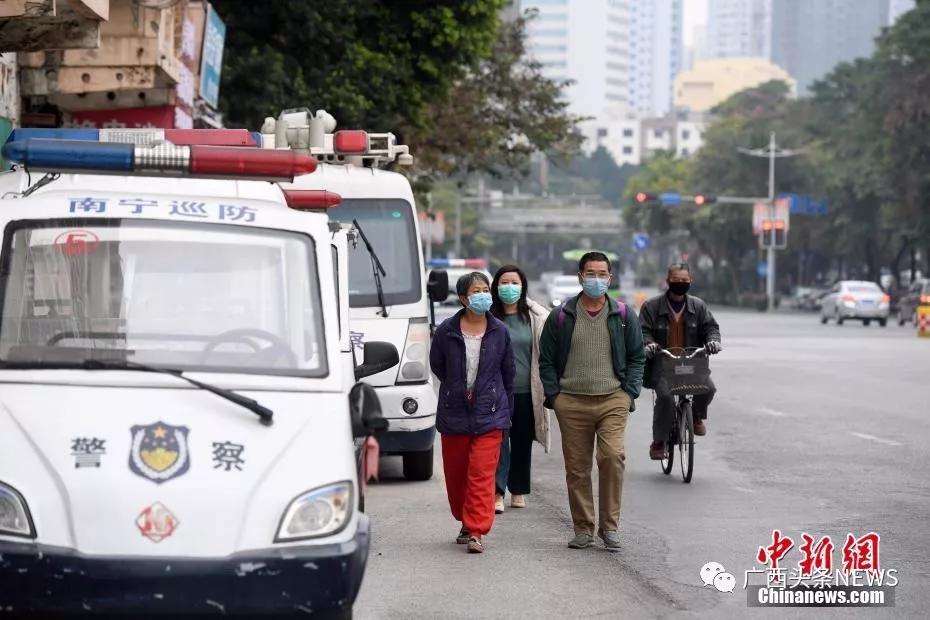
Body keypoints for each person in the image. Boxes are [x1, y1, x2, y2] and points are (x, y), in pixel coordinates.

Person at [538, 252, 645, 552]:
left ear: (610, 278)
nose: (596, 279)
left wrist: (628, 393)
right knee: (577, 468)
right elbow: (545, 360)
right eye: (590, 273)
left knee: (612, 458)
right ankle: (583, 528)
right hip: (571, 402)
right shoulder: (561, 316)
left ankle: (609, 527)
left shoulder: (623, 316)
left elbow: (637, 357)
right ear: (580, 277)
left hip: (613, 399)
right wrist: (555, 397)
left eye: (602, 274)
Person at [430, 272, 515, 554]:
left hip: (490, 414)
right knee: (457, 476)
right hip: (454, 414)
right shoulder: (446, 331)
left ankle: (477, 530)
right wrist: (458, 390)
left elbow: (508, 374)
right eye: (477, 291)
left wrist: (505, 412)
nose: (484, 295)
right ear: (464, 298)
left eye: (486, 289)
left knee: (481, 474)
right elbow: (438, 366)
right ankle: (465, 521)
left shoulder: (499, 331)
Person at [638, 263, 722, 461]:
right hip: (663, 365)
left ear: (690, 282)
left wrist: (713, 341)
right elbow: (643, 331)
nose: (680, 284)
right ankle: (659, 441)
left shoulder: (698, 306)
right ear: (668, 281)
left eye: (684, 281)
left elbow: (711, 328)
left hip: (692, 363)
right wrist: (648, 345)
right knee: (666, 398)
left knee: (708, 388)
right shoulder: (651, 306)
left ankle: (695, 415)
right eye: (676, 280)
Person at [489, 264, 552, 514]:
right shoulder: (489, 316)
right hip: (497, 391)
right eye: (504, 282)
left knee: (522, 442)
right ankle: (497, 491)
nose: (509, 287)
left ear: (523, 286)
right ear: (496, 286)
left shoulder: (536, 317)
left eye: (514, 283)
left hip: (527, 391)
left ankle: (518, 490)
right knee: (498, 442)